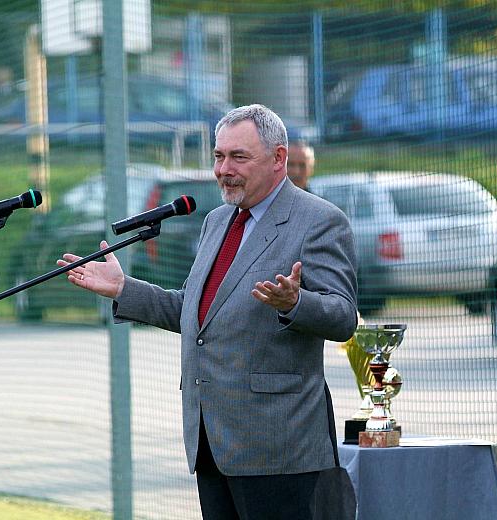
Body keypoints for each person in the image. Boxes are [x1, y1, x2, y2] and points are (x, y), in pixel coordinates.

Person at [59, 104, 358, 519]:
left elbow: (343, 316)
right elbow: (198, 314)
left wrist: (295, 302)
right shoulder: (217, 221)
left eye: (239, 157)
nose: (223, 169)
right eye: (219, 156)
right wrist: (125, 289)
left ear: (278, 159)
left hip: (280, 450)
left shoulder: (319, 221)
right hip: (212, 443)